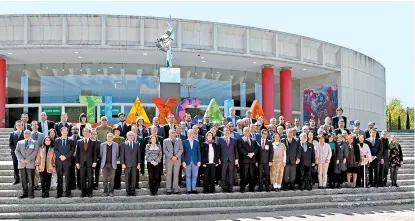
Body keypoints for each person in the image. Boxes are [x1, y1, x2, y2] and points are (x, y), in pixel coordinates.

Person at [15, 130, 40, 198]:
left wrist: (28, 159)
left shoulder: (35, 142)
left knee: (31, 180)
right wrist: (21, 159)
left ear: (31, 134)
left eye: (28, 133)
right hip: (21, 163)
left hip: (30, 163)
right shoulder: (19, 142)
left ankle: (31, 194)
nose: (27, 135)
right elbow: (17, 151)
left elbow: (35, 152)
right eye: (25, 133)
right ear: (23, 134)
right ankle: (24, 193)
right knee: (23, 180)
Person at [76, 128, 98, 198]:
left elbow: (95, 153)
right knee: (82, 178)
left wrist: (95, 161)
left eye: (87, 131)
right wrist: (77, 162)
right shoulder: (79, 142)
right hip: (82, 163)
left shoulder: (93, 142)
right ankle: (83, 192)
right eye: (84, 131)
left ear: (89, 133)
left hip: (90, 163)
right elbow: (77, 153)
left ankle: (90, 192)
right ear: (82, 133)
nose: (85, 132)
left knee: (90, 178)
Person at [54, 127, 74, 198]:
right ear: (61, 132)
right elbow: (55, 150)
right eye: (63, 131)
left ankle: (68, 193)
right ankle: (59, 193)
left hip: (67, 161)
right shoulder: (57, 140)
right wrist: (60, 156)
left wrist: (65, 156)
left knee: (68, 178)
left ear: (68, 132)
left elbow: (72, 150)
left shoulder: (71, 140)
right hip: (59, 161)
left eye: (66, 131)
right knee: (59, 178)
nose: (64, 132)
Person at [218, 127, 239, 193]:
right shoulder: (220, 139)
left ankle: (230, 187)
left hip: (232, 159)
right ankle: (224, 187)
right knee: (223, 173)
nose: (227, 132)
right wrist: (218, 158)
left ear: (230, 132)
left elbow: (236, 150)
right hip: (223, 159)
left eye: (228, 131)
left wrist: (237, 159)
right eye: (225, 131)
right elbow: (218, 150)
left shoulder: (234, 140)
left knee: (231, 174)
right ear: (223, 132)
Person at [163, 129, 184, 195]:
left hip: (177, 160)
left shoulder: (179, 140)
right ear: (169, 133)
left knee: (176, 174)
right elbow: (165, 150)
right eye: (171, 133)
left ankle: (175, 188)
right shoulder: (165, 141)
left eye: (174, 133)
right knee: (168, 174)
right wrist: (171, 157)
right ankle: (168, 189)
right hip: (169, 160)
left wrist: (176, 156)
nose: (173, 134)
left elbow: (181, 149)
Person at [238, 127, 259, 193]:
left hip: (252, 160)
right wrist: (247, 154)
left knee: (252, 175)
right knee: (244, 175)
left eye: (248, 131)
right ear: (243, 132)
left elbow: (257, 148)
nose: (247, 132)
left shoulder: (253, 140)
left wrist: (253, 153)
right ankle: (242, 188)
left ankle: (251, 188)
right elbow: (240, 149)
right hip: (244, 161)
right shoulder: (240, 140)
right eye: (245, 131)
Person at [120, 131, 141, 196]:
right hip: (126, 164)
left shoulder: (137, 144)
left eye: (132, 135)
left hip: (134, 164)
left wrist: (139, 163)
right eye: (129, 135)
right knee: (127, 178)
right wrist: (122, 163)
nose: (131, 136)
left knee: (134, 178)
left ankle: (133, 191)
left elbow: (138, 155)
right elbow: (122, 154)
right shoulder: (123, 144)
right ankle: (128, 191)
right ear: (127, 136)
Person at [182, 129, 201, 194]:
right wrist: (183, 161)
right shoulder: (184, 142)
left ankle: (194, 189)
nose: (191, 134)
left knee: (195, 176)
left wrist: (199, 160)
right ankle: (188, 190)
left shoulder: (197, 142)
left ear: (193, 134)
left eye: (192, 133)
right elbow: (183, 153)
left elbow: (199, 152)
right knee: (188, 176)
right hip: (187, 161)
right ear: (187, 134)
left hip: (195, 161)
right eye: (189, 133)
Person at [100, 133, 119, 197]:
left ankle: (111, 191)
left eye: (111, 136)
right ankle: (105, 191)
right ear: (106, 137)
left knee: (111, 179)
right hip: (104, 164)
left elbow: (117, 154)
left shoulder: (116, 145)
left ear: (113, 137)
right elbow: (101, 154)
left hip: (112, 164)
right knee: (105, 179)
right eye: (108, 136)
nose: (110, 137)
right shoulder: (102, 145)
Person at [30, 121, 45, 190]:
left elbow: (43, 145)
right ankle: (31, 184)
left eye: (36, 125)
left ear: (38, 126)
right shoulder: (28, 134)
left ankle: (36, 184)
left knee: (37, 170)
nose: (35, 126)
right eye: (33, 125)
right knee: (30, 170)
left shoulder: (42, 135)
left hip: (39, 155)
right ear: (31, 126)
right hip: (30, 155)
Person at [9, 120, 24, 185]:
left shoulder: (25, 133)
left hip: (23, 153)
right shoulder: (12, 134)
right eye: (17, 125)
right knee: (15, 166)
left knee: (23, 167)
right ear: (15, 126)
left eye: (20, 125)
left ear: (22, 126)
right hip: (14, 153)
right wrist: (16, 151)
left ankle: (24, 179)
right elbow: (10, 144)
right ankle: (16, 179)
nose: (19, 126)